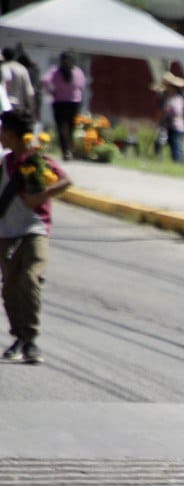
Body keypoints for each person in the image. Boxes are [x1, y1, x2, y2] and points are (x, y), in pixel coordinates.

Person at [0, 109, 71, 366]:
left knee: (29, 277)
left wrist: (43, 195)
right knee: (9, 287)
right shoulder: (5, 163)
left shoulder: (38, 160)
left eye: (2, 131)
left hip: (35, 229)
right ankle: (18, 336)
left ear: (10, 134)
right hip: (6, 232)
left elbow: (65, 181)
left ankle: (30, 339)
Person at [41, 52, 84, 160]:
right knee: (71, 128)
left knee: (61, 127)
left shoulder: (55, 71)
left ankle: (65, 151)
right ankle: (70, 149)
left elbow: (44, 80)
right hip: (74, 102)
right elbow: (81, 86)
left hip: (59, 102)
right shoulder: (77, 71)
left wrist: (51, 91)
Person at [158, 71, 184, 163]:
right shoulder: (170, 97)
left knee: (176, 144)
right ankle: (175, 160)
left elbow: (178, 111)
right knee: (171, 142)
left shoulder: (177, 98)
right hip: (170, 124)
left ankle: (179, 160)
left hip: (177, 125)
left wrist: (169, 112)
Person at [1, 48, 35, 115]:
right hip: (18, 107)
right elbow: (29, 91)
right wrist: (30, 107)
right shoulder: (22, 69)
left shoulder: (3, 68)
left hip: (3, 105)